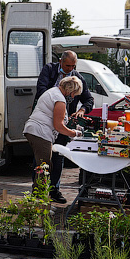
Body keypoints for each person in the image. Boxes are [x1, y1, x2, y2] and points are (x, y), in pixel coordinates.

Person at [34, 51, 94, 203]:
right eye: (67, 65)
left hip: (63, 123)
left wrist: (82, 110)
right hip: (45, 122)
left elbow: (88, 99)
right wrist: (58, 103)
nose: (70, 69)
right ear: (60, 61)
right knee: (41, 157)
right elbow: (41, 90)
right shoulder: (49, 69)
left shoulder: (78, 77)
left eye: (73, 66)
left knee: (58, 156)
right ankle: (38, 192)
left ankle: (54, 190)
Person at [24, 76, 85, 203]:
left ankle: (40, 200)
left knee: (44, 167)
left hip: (35, 131)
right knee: (43, 168)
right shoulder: (59, 99)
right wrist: (74, 133)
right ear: (69, 90)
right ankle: (38, 203)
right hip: (40, 133)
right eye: (74, 94)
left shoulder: (52, 92)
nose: (73, 97)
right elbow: (58, 126)